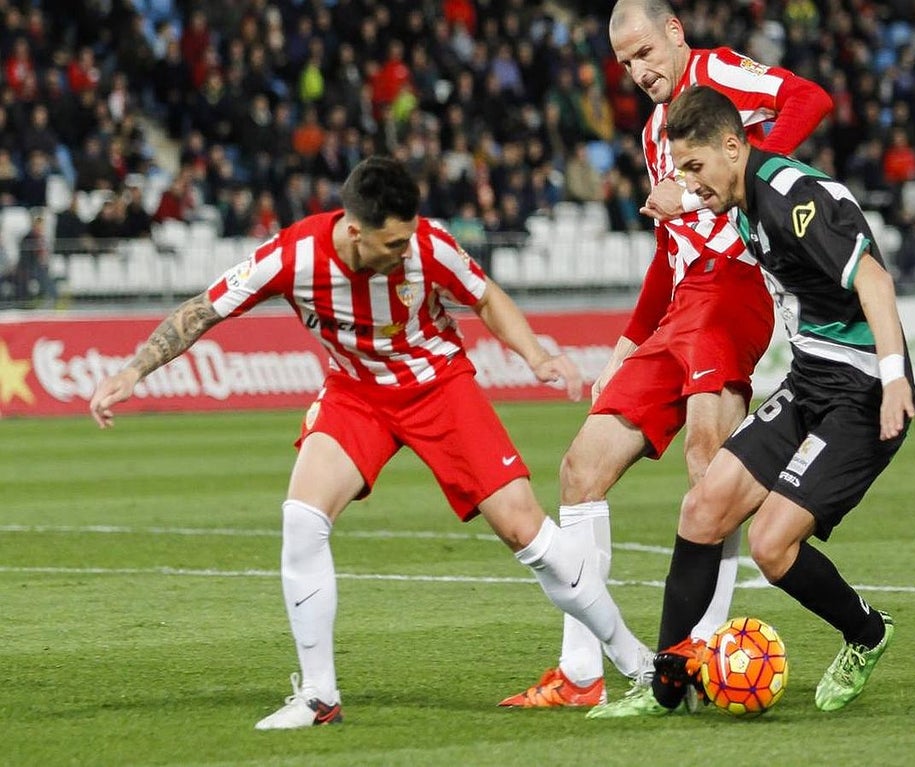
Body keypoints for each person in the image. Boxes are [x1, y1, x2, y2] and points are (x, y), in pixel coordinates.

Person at [88, 156, 652, 730]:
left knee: (523, 529)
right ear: (354, 231)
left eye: (408, 238)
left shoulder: (429, 245)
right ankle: (318, 696)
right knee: (302, 518)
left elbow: (485, 297)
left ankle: (637, 664)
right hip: (356, 394)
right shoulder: (294, 255)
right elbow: (204, 310)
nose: (404, 251)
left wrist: (536, 355)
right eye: (392, 243)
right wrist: (135, 371)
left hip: (438, 387)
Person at [500, 0, 831, 710]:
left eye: (646, 52)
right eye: (625, 64)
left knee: (707, 467)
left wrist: (749, 177)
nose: (639, 71)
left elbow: (809, 98)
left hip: (733, 293)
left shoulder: (717, 75)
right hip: (679, 308)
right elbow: (667, 255)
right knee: (580, 467)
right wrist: (625, 346)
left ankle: (700, 655)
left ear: (674, 32)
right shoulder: (656, 131)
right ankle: (582, 671)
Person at [628, 84, 915, 716]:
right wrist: (682, 195)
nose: (691, 182)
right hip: (811, 380)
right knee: (703, 508)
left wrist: (895, 377)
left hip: (863, 393)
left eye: (697, 168)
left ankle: (867, 634)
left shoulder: (794, 200)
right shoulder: (733, 189)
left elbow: (873, 276)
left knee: (770, 544)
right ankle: (667, 684)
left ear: (735, 148)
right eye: (682, 170)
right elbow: (703, 194)